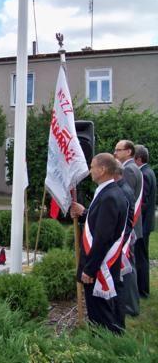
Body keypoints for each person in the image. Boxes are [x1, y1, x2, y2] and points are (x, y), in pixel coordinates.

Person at [71, 153, 128, 334]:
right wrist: (86, 213)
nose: (90, 170)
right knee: (105, 313)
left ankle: (105, 351)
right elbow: (101, 223)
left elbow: (103, 238)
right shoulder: (110, 192)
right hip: (101, 265)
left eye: (92, 166)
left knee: (100, 317)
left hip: (98, 268)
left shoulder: (109, 196)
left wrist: (90, 268)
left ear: (102, 170)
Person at [114, 139, 143, 316]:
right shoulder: (132, 168)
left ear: (129, 152)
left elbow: (126, 200)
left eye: (119, 150)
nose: (115, 152)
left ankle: (131, 306)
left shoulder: (129, 170)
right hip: (130, 226)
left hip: (128, 227)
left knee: (128, 268)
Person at [134, 145, 157, 298]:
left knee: (141, 257)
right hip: (146, 223)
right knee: (141, 256)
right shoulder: (148, 172)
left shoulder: (144, 174)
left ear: (139, 159)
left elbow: (143, 203)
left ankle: (142, 291)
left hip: (142, 224)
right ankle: (142, 288)